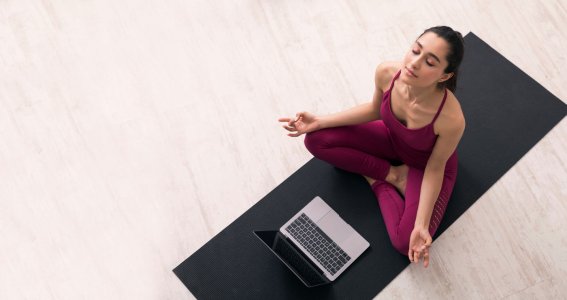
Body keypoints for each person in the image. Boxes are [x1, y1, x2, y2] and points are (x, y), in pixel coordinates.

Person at [279, 26, 465, 268]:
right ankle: (392, 175)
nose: (414, 63)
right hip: (392, 139)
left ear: (444, 76)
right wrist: (319, 121)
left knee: (405, 242)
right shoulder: (387, 72)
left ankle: (377, 181)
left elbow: (435, 168)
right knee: (315, 139)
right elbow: (375, 110)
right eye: (415, 50)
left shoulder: (451, 119)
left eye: (430, 62)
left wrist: (421, 224)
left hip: (426, 164)